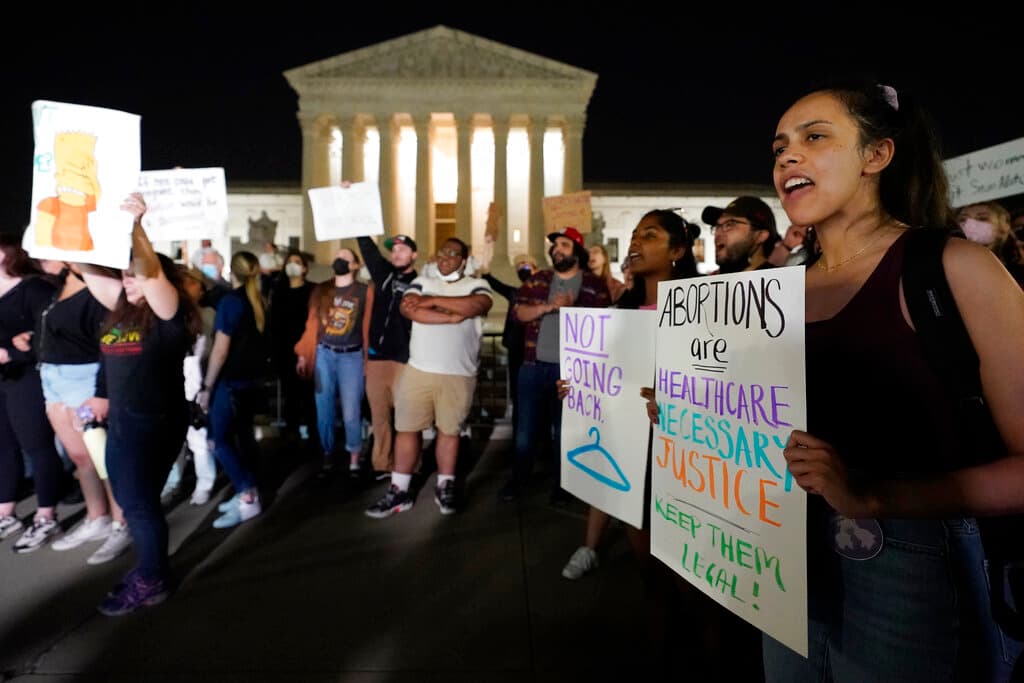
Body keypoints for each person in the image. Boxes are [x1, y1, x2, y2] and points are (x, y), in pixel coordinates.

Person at [766, 78, 1024, 681]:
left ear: (876, 156)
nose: (788, 157)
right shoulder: (770, 294)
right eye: (779, 148)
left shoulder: (954, 268)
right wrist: (686, 415)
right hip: (781, 565)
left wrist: (875, 497)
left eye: (815, 137)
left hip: (914, 571)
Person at [79, 193, 200, 615]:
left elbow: (149, 275)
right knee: (137, 500)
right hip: (124, 421)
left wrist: (137, 227)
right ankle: (151, 568)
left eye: (133, 275)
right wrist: (77, 216)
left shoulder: (169, 314)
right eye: (124, 276)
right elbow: (85, 267)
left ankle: (152, 579)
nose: (127, 281)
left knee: (137, 505)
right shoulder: (122, 310)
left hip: (154, 421)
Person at [364, 237, 492, 518]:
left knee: (449, 431)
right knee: (407, 429)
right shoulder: (422, 281)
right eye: (442, 252)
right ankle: (399, 490)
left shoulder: (476, 284)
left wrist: (432, 302)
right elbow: (409, 309)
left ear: (464, 259)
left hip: (458, 373)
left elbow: (477, 305)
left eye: (453, 253)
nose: (445, 257)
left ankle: (445, 485)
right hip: (419, 369)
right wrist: (449, 315)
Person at [498, 226, 610, 503]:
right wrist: (548, 308)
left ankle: (564, 485)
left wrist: (575, 308)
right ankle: (518, 479)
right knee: (525, 429)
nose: (557, 249)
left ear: (577, 251)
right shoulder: (538, 280)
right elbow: (519, 313)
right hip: (533, 366)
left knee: (564, 430)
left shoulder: (593, 284)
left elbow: (606, 322)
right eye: (555, 245)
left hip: (572, 371)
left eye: (564, 245)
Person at [29, 259, 131, 563]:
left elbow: (108, 345)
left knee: (102, 458)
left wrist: (101, 393)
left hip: (84, 379)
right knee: (79, 458)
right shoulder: (58, 287)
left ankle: (121, 523)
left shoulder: (98, 291)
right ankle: (96, 517)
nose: (43, 254)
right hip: (53, 378)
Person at [0, 237, 66, 552]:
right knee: (4, 447)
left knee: (36, 446)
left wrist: (12, 353)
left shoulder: (34, 290)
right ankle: (6, 512)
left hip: (27, 378)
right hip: (3, 379)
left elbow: (49, 338)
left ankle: (46, 515)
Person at [197, 251, 269, 529]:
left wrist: (207, 385)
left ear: (232, 271)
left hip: (229, 382)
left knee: (218, 440)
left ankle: (247, 495)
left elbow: (220, 350)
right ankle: (247, 490)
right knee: (242, 437)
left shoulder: (230, 302)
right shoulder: (258, 301)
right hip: (251, 381)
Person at [294, 247, 372, 479]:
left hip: (352, 355)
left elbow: (369, 326)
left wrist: (369, 360)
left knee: (351, 410)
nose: (339, 260)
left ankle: (354, 458)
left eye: (345, 257)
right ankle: (327, 454)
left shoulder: (364, 292)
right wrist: (303, 354)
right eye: (337, 256)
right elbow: (311, 324)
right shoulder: (322, 290)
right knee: (324, 409)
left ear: (355, 265)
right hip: (324, 354)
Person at [355, 234, 418, 480]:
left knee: (406, 418)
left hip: (405, 359)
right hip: (378, 358)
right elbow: (368, 249)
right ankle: (382, 465)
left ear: (414, 254)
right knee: (379, 417)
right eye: (394, 250)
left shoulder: (422, 282)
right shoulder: (384, 275)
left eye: (403, 249)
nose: (397, 253)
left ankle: (409, 465)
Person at [160, 265, 218, 506]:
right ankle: (174, 481)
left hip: (193, 379)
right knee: (172, 438)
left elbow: (206, 352)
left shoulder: (204, 315)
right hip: (171, 377)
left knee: (197, 435)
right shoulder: (169, 313)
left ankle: (204, 482)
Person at [480, 254, 536, 436]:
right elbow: (496, 285)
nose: (523, 268)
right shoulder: (515, 293)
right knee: (517, 393)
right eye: (519, 265)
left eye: (526, 265)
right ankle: (519, 429)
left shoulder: (543, 294)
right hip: (515, 348)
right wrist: (485, 272)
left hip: (534, 349)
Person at [267, 250, 315, 442]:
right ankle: (291, 432)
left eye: (297, 262)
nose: (292, 265)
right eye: (289, 262)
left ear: (304, 268)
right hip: (285, 351)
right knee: (290, 395)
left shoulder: (313, 291)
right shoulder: (278, 291)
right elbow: (273, 323)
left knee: (309, 396)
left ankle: (314, 434)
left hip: (308, 350)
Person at [702, 196, 781, 273]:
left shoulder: (781, 282)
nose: (717, 233)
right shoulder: (707, 282)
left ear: (760, 235)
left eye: (729, 224)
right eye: (717, 226)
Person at [955, 201, 1024, 289]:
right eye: (962, 219)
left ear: (1002, 229)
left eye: (982, 218)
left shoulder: (1018, 273)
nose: (970, 224)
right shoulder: (951, 271)